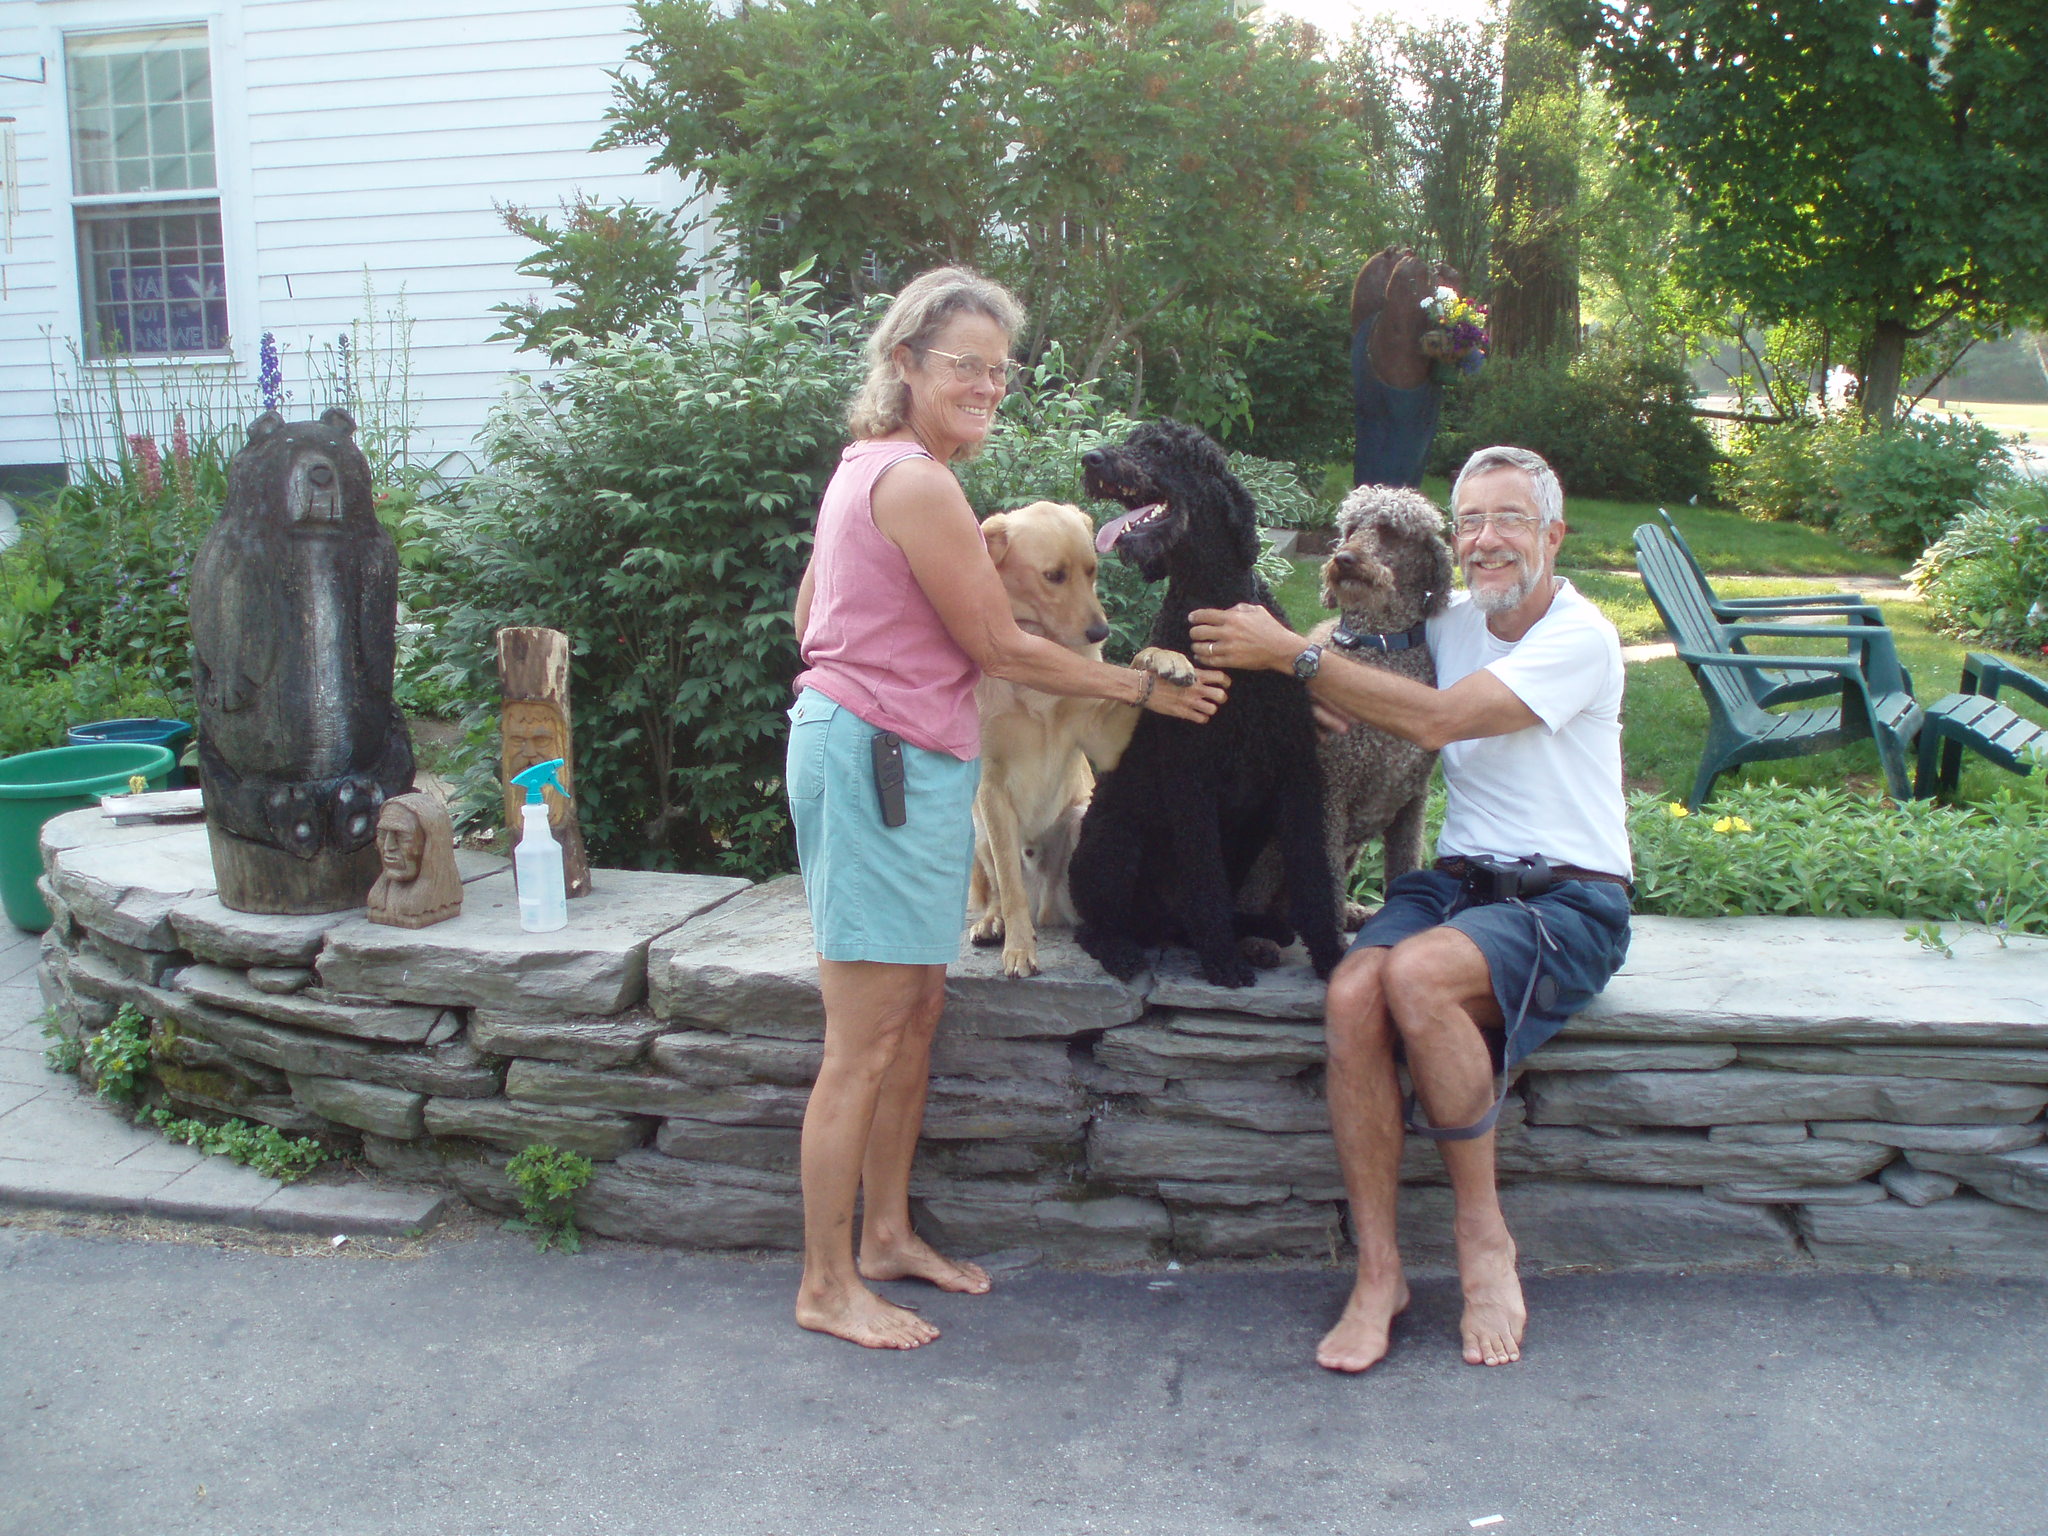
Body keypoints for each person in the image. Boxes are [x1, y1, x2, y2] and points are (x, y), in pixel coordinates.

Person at [788, 267, 1229, 1351]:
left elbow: (809, 617)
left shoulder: (871, 470)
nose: (986, 384)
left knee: (917, 1012)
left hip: (908, 761)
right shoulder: (919, 484)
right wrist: (1140, 684)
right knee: (861, 1039)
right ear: (902, 365)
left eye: (998, 367)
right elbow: (993, 645)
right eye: (962, 366)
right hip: (878, 767)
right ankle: (824, 1283)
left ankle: (885, 1234)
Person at [1188, 444, 1630, 1375]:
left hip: (1570, 893)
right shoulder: (1452, 619)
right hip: (1461, 881)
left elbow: (1431, 720)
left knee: (1417, 977)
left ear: (1553, 534)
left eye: (1510, 519)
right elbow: (1346, 642)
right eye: (1470, 521)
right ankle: (1379, 1271)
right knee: (1353, 989)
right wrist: (1292, 687)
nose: (1486, 540)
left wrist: (1296, 659)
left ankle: (1483, 1239)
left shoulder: (1577, 636)